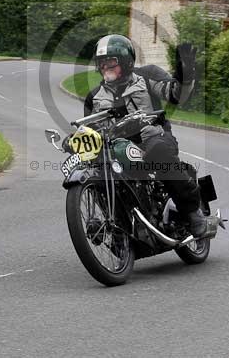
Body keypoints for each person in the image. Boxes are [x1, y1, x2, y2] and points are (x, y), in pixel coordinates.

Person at [80, 34, 207, 237]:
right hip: (118, 149)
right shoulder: (94, 97)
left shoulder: (147, 76)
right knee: (97, 168)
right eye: (101, 62)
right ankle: (116, 225)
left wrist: (186, 74)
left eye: (111, 61)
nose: (105, 67)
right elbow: (90, 130)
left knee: (159, 150)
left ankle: (193, 211)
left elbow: (176, 94)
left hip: (153, 137)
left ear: (126, 61)